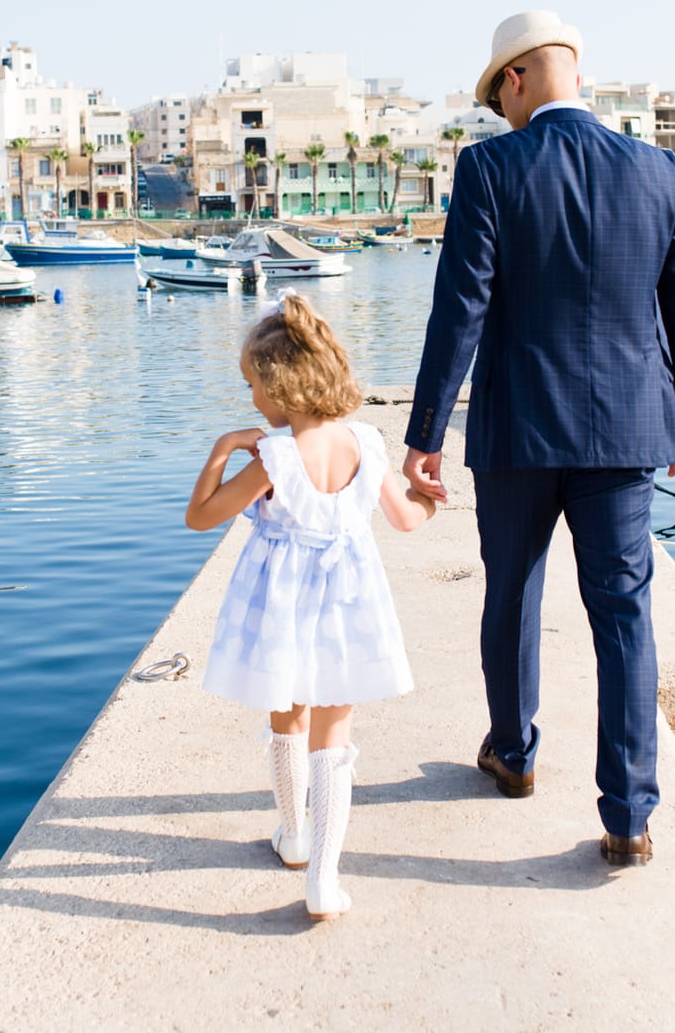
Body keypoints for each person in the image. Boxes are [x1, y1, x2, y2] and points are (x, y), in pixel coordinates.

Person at [402, 10, 675, 866]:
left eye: (493, 95)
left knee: (511, 594)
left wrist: (425, 430)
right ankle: (628, 815)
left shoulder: (490, 167)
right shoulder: (659, 171)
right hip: (626, 432)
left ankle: (513, 754)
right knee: (624, 614)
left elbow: (459, 306)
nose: (495, 113)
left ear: (515, 80)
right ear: (571, 73)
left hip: (516, 427)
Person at [185, 293, 438, 920]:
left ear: (282, 389)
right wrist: (431, 498)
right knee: (335, 736)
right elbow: (406, 519)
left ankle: (293, 836)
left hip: (281, 611)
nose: (251, 401)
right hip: (348, 609)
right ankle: (324, 878)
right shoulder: (368, 443)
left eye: (253, 387)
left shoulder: (273, 458)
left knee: (287, 719)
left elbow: (200, 518)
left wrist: (221, 449)